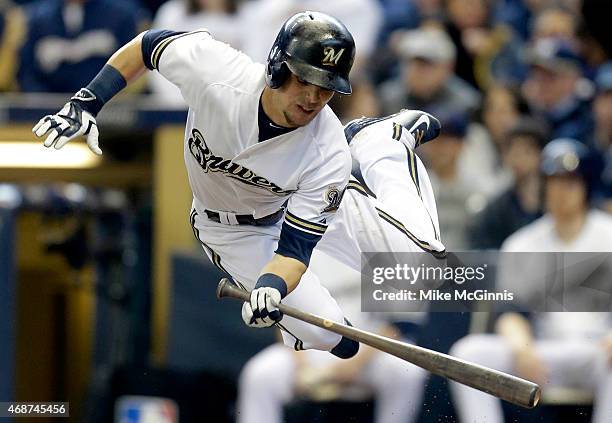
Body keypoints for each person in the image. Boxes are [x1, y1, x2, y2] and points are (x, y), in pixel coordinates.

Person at [32, 11, 362, 358]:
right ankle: (326, 329)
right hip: (236, 233)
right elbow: (148, 45)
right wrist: (89, 100)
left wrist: (270, 285)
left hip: (303, 208)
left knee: (407, 242)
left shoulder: (329, 150)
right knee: (329, 336)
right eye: (304, 80)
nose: (312, 98)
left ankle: (388, 138)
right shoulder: (218, 72)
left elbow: (295, 251)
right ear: (277, 66)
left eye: (325, 88)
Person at [449, 138, 612, 423]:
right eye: (553, 182)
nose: (561, 191)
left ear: (585, 186)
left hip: (598, 353)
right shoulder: (522, 243)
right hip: (542, 349)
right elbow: (509, 310)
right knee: (469, 353)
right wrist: (521, 348)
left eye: (569, 182)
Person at [18, 0, 147, 92]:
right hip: (50, 107)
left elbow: (135, 65)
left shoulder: (122, 14)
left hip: (106, 105)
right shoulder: (37, 17)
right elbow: (26, 70)